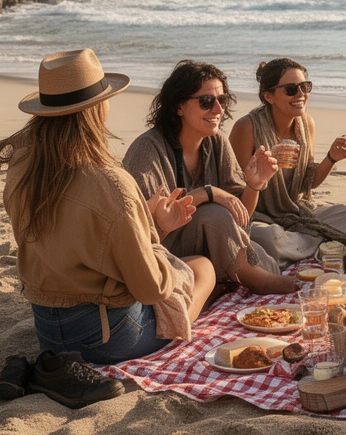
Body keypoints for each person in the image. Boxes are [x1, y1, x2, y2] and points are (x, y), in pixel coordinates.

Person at [0, 49, 216, 405]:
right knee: (202, 269)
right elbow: (152, 288)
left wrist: (145, 224)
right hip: (107, 338)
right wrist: (151, 232)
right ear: (96, 109)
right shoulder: (110, 182)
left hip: (47, 328)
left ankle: (48, 366)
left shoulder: (24, 165)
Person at [122, 60, 297, 295]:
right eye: (206, 102)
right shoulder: (147, 150)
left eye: (221, 100)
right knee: (213, 214)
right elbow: (141, 229)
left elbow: (240, 217)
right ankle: (258, 281)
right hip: (160, 250)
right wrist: (207, 193)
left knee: (266, 246)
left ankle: (236, 275)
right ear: (179, 106)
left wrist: (254, 185)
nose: (218, 110)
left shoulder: (216, 143)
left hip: (207, 246)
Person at [229, 58, 346, 265]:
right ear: (268, 96)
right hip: (260, 217)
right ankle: (316, 244)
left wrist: (331, 158)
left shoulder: (306, 123)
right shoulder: (247, 127)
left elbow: (310, 182)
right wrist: (261, 173)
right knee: (270, 238)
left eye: (305, 87)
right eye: (291, 89)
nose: (301, 95)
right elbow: (234, 191)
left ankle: (300, 247)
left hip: (294, 212)